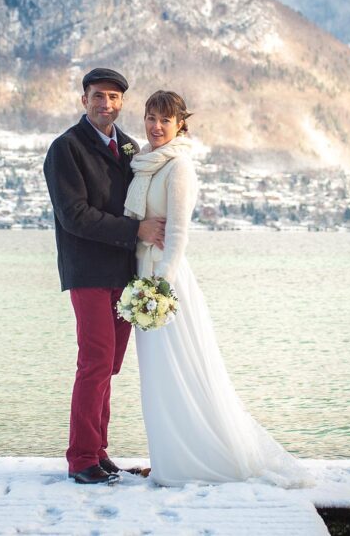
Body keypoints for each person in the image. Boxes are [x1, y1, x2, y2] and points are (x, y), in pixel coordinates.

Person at [124, 90, 314, 488]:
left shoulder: (179, 168)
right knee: (157, 375)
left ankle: (198, 459)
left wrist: (162, 291)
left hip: (162, 282)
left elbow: (178, 234)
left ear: (180, 125)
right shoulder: (143, 164)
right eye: (150, 118)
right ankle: (168, 458)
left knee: (180, 371)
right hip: (141, 275)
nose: (156, 127)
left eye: (164, 120)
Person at [43, 68, 166, 485]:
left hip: (124, 275)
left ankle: (98, 451)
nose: (106, 104)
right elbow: (74, 216)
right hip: (88, 271)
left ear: (121, 103)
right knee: (93, 362)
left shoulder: (130, 147)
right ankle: (80, 459)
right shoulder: (66, 149)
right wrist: (136, 231)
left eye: (113, 98)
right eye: (98, 96)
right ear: (84, 100)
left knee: (108, 366)